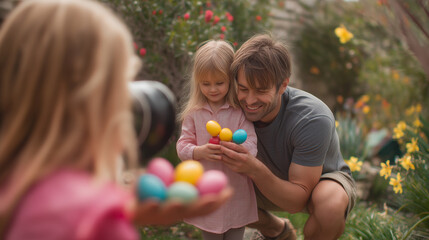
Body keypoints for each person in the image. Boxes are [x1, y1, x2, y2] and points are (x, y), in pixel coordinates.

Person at [0, 1, 231, 239]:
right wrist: (105, 216)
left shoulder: (14, 184)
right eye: (123, 85)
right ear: (99, 104)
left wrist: (116, 208)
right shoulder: (96, 222)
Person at [220, 34, 357, 240]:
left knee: (330, 205)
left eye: (261, 90)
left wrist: (253, 168)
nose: (249, 100)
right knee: (208, 187)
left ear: (283, 85)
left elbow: (295, 201)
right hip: (255, 182)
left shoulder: (311, 117)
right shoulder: (228, 104)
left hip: (314, 184)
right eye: (243, 88)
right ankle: (276, 230)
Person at [176, 40, 258, 240]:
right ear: (198, 82)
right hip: (207, 192)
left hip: (235, 191)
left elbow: (252, 144)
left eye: (219, 83)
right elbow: (182, 146)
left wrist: (238, 148)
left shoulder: (239, 112)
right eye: (206, 84)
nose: (212, 89)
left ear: (231, 80)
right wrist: (199, 151)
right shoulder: (194, 114)